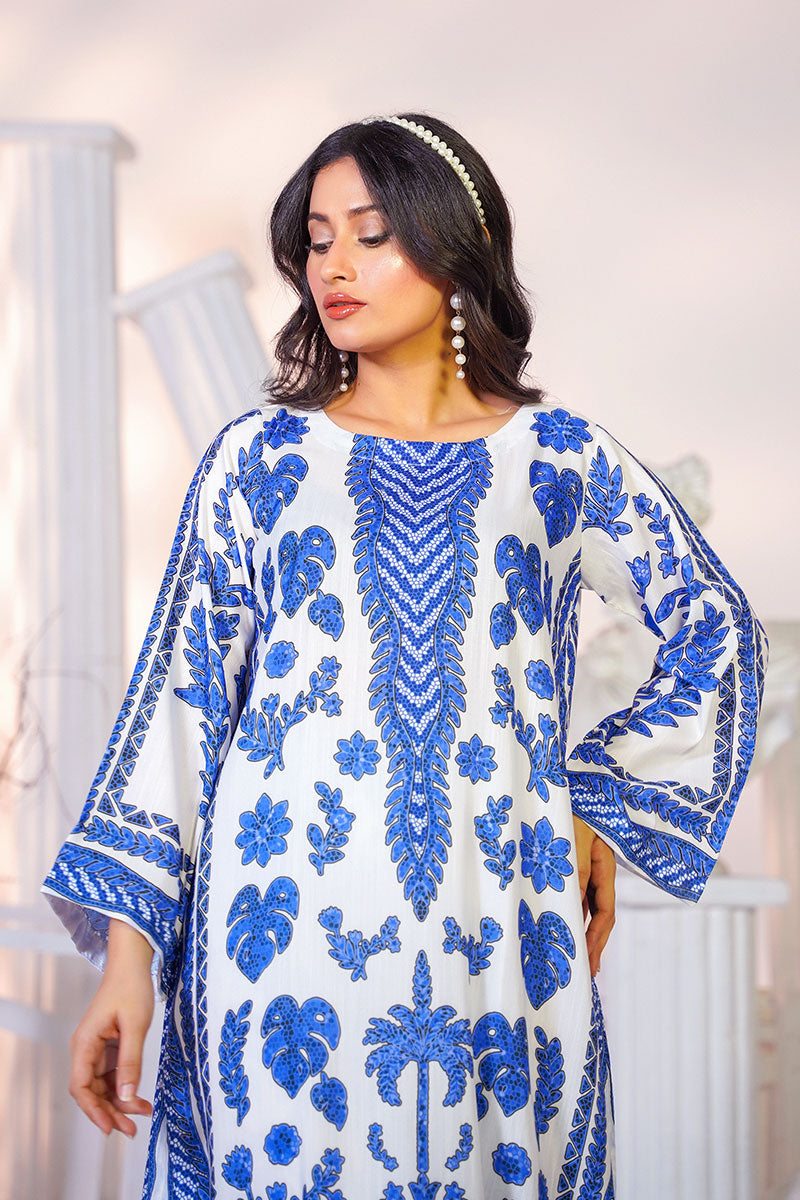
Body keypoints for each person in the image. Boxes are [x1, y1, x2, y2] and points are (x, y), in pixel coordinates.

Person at [42, 113, 767, 1200]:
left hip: (498, 926)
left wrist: (601, 803)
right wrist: (129, 964)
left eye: (371, 235)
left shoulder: (556, 460)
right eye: (316, 240)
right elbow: (178, 711)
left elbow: (714, 625)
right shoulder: (259, 462)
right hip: (279, 941)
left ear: (454, 248)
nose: (333, 265)